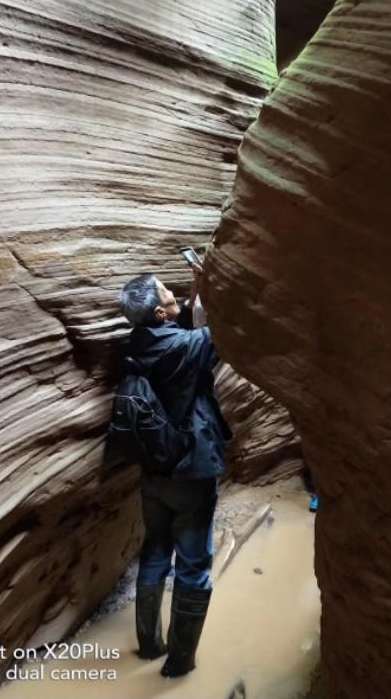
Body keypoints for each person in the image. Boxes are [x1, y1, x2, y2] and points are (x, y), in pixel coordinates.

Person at [117, 266, 232, 678]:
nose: (173, 293)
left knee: (155, 551)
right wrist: (217, 291)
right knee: (194, 566)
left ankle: (149, 647)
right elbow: (221, 336)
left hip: (154, 471)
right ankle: (179, 664)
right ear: (160, 315)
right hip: (190, 471)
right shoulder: (186, 347)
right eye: (169, 293)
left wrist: (192, 296)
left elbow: (173, 334)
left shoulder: (135, 342)